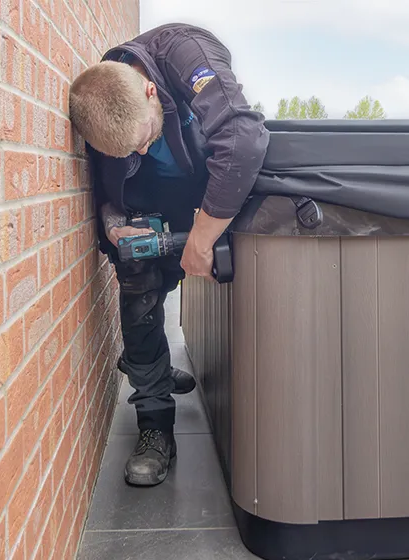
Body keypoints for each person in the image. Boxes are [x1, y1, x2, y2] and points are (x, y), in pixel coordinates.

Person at [68, 23, 270, 486]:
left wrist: (201, 238)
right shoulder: (101, 99)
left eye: (145, 137)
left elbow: (244, 138)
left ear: (152, 90)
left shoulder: (187, 53)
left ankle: (151, 364)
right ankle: (155, 423)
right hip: (147, 199)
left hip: (204, 187)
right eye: (128, 150)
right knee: (139, 288)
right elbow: (106, 184)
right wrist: (115, 226)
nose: (141, 148)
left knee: (175, 277)